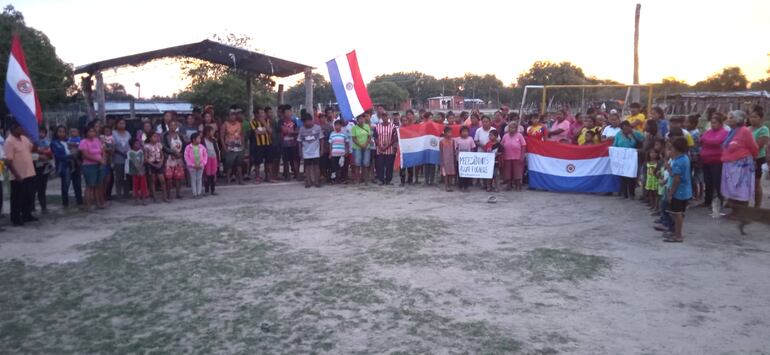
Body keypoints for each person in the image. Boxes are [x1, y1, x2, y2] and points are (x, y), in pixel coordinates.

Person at [720, 110, 759, 210]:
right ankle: (734, 209)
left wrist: (749, 159)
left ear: (738, 119)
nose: (728, 119)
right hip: (730, 164)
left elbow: (754, 147)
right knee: (732, 189)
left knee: (741, 189)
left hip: (742, 166)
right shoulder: (732, 131)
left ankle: (742, 211)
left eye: (731, 117)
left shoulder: (745, 131)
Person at [4, 122, 37, 225]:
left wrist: (35, 140)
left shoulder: (24, 138)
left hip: (29, 172)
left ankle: (27, 215)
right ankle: (16, 218)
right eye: (20, 128)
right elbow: (8, 161)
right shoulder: (9, 141)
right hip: (18, 175)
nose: (22, 129)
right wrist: (17, 175)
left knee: (29, 195)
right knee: (17, 197)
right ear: (13, 129)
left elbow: (33, 149)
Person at [664, 137, 692, 243]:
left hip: (678, 191)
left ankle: (678, 235)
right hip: (685, 190)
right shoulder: (685, 158)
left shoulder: (678, 161)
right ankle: (676, 232)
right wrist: (669, 168)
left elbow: (676, 179)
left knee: (677, 213)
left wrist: (671, 193)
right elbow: (674, 175)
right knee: (680, 213)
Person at [700, 112, 728, 209]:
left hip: (717, 161)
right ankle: (707, 201)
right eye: (712, 123)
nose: (713, 125)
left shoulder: (724, 132)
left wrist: (707, 141)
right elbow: (702, 138)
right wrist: (709, 141)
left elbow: (717, 142)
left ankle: (720, 202)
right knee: (708, 182)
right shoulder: (709, 131)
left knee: (717, 182)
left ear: (720, 124)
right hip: (706, 160)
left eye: (715, 123)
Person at [51, 125, 83, 208]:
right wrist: (71, 155)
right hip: (65, 165)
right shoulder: (54, 143)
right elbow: (59, 156)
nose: (62, 133)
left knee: (77, 184)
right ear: (56, 133)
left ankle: (79, 202)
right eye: (60, 131)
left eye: (63, 131)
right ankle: (65, 204)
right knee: (65, 185)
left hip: (75, 164)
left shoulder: (69, 141)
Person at [613, 121, 644, 198]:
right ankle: (624, 193)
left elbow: (643, 141)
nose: (625, 130)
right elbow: (615, 145)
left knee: (632, 176)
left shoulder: (636, 133)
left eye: (627, 128)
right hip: (622, 158)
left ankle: (632, 193)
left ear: (630, 127)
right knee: (623, 176)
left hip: (633, 158)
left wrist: (632, 135)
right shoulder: (618, 135)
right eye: (624, 129)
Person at [79, 124, 106, 210]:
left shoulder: (97, 140)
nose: (92, 133)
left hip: (99, 165)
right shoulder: (83, 142)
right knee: (90, 185)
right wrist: (98, 160)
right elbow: (85, 155)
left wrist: (103, 160)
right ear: (86, 133)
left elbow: (102, 151)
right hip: (89, 165)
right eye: (90, 131)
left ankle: (98, 203)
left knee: (98, 185)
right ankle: (88, 204)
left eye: (93, 131)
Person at [749, 106, 768, 208]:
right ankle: (744, 204)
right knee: (746, 183)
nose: (752, 119)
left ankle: (757, 206)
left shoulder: (764, 129)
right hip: (746, 159)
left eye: (755, 117)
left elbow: (758, 146)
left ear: (760, 118)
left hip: (758, 159)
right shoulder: (747, 129)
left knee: (756, 184)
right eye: (751, 117)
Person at [298, 113, 324, 188]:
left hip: (315, 151)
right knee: (307, 167)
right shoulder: (302, 129)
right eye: (305, 122)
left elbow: (321, 139)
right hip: (306, 151)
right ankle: (308, 181)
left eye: (309, 121)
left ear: (311, 120)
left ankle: (316, 181)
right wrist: (300, 152)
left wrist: (321, 149)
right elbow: (299, 141)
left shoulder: (317, 128)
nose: (307, 123)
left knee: (316, 166)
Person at [221, 106, 245, 185]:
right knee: (229, 165)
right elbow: (221, 136)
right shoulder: (225, 124)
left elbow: (242, 135)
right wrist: (224, 147)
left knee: (239, 164)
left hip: (238, 146)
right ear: (228, 116)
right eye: (231, 115)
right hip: (230, 147)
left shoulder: (239, 124)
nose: (233, 117)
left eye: (234, 115)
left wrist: (243, 144)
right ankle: (228, 180)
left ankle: (240, 180)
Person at [250, 107, 273, 184]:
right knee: (257, 162)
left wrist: (264, 124)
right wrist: (265, 130)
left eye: (263, 113)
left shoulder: (266, 121)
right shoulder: (253, 122)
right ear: (256, 114)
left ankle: (268, 177)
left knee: (269, 161)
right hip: (258, 144)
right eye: (261, 113)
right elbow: (256, 132)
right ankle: (257, 177)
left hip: (267, 143)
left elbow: (270, 131)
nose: (263, 114)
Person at [32, 127, 53, 213]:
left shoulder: (47, 141)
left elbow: (50, 153)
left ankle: (43, 207)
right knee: (33, 188)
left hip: (44, 167)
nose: (41, 134)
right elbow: (32, 152)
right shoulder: (32, 141)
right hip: (34, 167)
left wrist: (42, 152)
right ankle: (31, 207)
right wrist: (40, 151)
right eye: (39, 132)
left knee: (42, 188)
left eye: (43, 132)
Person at [144, 131, 168, 203]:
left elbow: (162, 155)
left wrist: (160, 163)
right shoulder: (146, 146)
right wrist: (153, 164)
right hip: (151, 164)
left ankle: (165, 197)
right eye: (154, 136)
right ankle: (155, 198)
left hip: (159, 162)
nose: (156, 138)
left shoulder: (159, 144)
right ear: (150, 138)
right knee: (152, 181)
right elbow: (146, 158)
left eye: (156, 136)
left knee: (162, 181)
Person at [163, 120, 185, 199]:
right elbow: (164, 146)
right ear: (168, 126)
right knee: (169, 178)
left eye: (174, 125)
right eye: (171, 125)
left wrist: (181, 153)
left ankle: (178, 193)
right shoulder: (165, 135)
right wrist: (173, 153)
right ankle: (169, 194)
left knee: (178, 177)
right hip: (169, 159)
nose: (173, 127)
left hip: (178, 159)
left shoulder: (180, 135)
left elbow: (184, 145)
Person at [501, 124, 527, 191]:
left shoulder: (519, 135)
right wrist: (502, 156)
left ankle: (518, 185)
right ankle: (508, 185)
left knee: (517, 171)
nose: (511, 129)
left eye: (513, 127)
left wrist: (522, 155)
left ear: (516, 128)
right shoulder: (505, 136)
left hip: (517, 156)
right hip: (507, 156)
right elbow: (502, 146)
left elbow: (523, 145)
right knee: (507, 171)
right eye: (510, 127)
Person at [374, 112, 398, 185]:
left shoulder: (393, 126)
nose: (385, 118)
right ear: (381, 117)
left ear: (388, 117)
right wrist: (380, 146)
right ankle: (381, 180)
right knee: (380, 165)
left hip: (390, 149)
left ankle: (388, 180)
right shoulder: (377, 126)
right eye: (383, 116)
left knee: (389, 166)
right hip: (380, 149)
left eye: (386, 116)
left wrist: (387, 146)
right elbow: (375, 137)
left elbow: (394, 138)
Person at [112, 118, 131, 200]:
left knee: (127, 176)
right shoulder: (113, 133)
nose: (122, 125)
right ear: (116, 124)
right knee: (119, 177)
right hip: (118, 157)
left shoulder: (127, 133)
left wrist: (129, 153)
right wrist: (121, 153)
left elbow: (130, 144)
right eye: (120, 123)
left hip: (127, 157)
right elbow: (113, 146)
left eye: (123, 123)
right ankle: (119, 194)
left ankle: (126, 193)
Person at [184, 132, 208, 198]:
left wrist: (203, 163)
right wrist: (192, 165)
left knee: (199, 179)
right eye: (198, 138)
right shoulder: (188, 147)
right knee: (193, 179)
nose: (200, 139)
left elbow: (205, 155)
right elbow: (186, 157)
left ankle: (199, 193)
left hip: (200, 165)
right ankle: (194, 193)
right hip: (192, 167)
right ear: (194, 139)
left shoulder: (202, 147)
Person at [279, 105, 300, 181]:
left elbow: (296, 131)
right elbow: (283, 131)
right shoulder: (281, 121)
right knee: (285, 161)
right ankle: (287, 176)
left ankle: (297, 174)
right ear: (284, 113)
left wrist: (292, 132)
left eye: (289, 112)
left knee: (295, 159)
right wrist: (291, 132)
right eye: (286, 112)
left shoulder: (294, 120)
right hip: (284, 144)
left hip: (293, 143)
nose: (288, 114)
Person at [685, 114, 703, 200]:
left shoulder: (695, 133)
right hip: (690, 156)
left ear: (693, 124)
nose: (685, 124)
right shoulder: (688, 131)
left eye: (687, 122)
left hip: (695, 156)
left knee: (696, 176)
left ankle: (697, 194)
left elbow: (688, 143)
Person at [351, 114, 372, 185]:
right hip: (357, 148)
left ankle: (365, 180)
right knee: (357, 163)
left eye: (362, 118)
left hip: (366, 147)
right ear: (357, 120)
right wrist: (360, 145)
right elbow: (353, 139)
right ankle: (357, 180)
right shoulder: (354, 128)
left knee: (366, 163)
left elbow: (369, 137)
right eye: (360, 119)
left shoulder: (367, 126)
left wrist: (365, 144)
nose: (361, 120)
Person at [455, 126, 477, 192]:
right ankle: (461, 185)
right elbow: (456, 148)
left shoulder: (470, 139)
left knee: (467, 173)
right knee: (460, 173)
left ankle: (466, 186)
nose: (465, 133)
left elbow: (473, 148)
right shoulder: (457, 139)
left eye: (466, 131)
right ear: (460, 132)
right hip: (460, 159)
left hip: (468, 159)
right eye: (463, 131)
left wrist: (472, 156)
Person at [127, 138, 148, 205]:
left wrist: (141, 170)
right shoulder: (130, 152)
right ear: (132, 145)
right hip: (135, 172)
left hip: (142, 171)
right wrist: (139, 171)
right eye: (136, 144)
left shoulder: (141, 151)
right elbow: (134, 162)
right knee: (135, 186)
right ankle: (136, 199)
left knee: (143, 185)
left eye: (138, 143)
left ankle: (144, 199)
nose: (138, 144)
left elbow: (142, 161)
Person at [328, 119, 349, 184]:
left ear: (341, 126)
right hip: (334, 154)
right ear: (334, 126)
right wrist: (330, 153)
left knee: (342, 167)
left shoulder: (344, 134)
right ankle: (333, 179)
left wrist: (346, 151)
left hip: (342, 153)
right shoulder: (332, 134)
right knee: (333, 167)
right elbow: (330, 144)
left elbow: (347, 143)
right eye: (336, 125)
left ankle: (342, 179)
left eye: (339, 125)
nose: (337, 127)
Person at [399, 111, 417, 186]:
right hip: (402, 150)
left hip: (410, 149)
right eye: (403, 120)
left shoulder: (411, 128)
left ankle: (410, 180)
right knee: (402, 166)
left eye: (406, 120)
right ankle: (402, 181)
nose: (404, 122)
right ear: (401, 121)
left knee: (410, 165)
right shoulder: (399, 129)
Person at [202, 126, 220, 195]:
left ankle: (213, 189)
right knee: (207, 174)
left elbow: (217, 150)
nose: (213, 133)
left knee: (213, 174)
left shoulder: (214, 140)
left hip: (214, 158)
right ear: (207, 132)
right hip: (207, 159)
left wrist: (218, 159)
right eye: (211, 131)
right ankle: (207, 190)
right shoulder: (203, 140)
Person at [439, 126, 457, 192]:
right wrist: (441, 160)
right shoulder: (441, 141)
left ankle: (450, 185)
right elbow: (440, 151)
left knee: (451, 173)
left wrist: (454, 159)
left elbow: (454, 151)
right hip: (444, 159)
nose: (450, 134)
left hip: (451, 159)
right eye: (448, 133)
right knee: (445, 173)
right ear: (445, 133)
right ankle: (446, 186)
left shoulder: (453, 141)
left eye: (451, 133)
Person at [100, 125, 115, 202]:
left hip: (109, 161)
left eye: (108, 131)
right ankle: (101, 196)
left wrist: (108, 149)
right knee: (102, 180)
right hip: (102, 161)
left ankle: (105, 195)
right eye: (105, 131)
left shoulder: (112, 139)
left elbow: (112, 151)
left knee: (108, 180)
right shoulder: (101, 138)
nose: (107, 132)